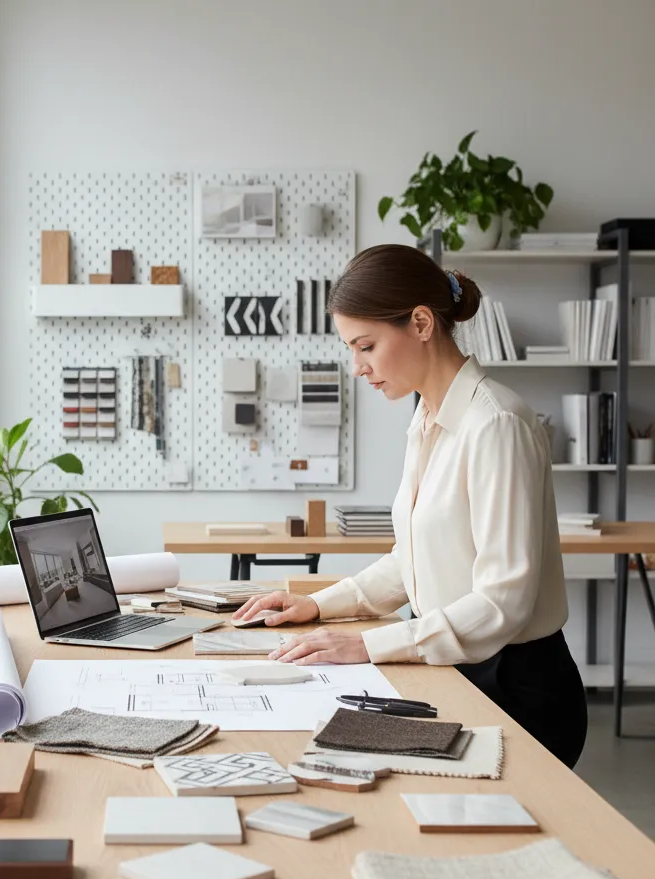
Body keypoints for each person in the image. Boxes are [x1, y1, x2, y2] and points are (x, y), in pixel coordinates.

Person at [234, 244, 588, 768]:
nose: (358, 368)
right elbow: (414, 559)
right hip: (452, 667)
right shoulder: (427, 419)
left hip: (516, 688)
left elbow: (502, 603)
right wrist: (317, 604)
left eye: (367, 346)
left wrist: (369, 644)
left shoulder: (496, 425)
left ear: (421, 323)